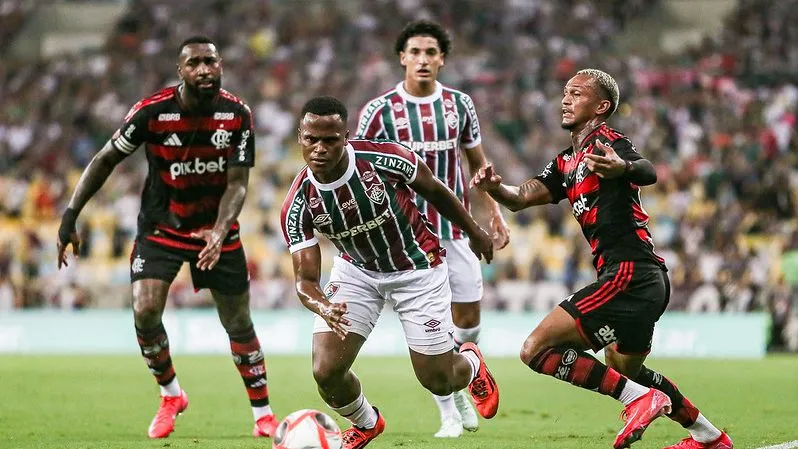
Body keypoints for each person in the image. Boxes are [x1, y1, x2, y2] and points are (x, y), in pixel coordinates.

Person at [471, 69, 733, 449]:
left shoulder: (608, 143)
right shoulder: (566, 162)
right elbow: (520, 197)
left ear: (601, 106)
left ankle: (639, 400)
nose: (565, 99)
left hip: (628, 274)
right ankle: (709, 436)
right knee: (627, 371)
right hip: (646, 279)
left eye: (576, 94)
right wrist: (495, 187)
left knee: (536, 349)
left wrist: (623, 167)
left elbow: (647, 171)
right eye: (565, 92)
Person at [56, 36, 279, 439]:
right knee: (144, 310)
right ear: (180, 71)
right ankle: (171, 394)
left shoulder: (237, 114)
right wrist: (71, 214)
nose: (204, 69)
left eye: (210, 61)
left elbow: (238, 183)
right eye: (194, 63)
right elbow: (105, 158)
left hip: (216, 230)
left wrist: (219, 230)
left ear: (220, 65)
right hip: (162, 227)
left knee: (237, 321)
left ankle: (263, 415)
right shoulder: (151, 112)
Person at [281, 96, 499, 449]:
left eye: (330, 140)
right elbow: (305, 281)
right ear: (300, 139)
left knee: (439, 380)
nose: (320, 148)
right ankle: (366, 423)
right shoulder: (298, 203)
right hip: (357, 273)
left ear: (346, 137)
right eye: (311, 139)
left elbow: (435, 190)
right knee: (326, 372)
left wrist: (474, 231)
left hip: (417, 269)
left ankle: (471, 363)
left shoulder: (383, 158)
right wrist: (324, 306)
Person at [356, 19, 510, 437]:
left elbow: (479, 164)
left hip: (456, 229)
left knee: (469, 320)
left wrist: (493, 211)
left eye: (430, 53)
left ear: (442, 59)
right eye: (415, 52)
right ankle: (450, 407)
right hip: (409, 236)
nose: (422, 60)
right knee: (431, 327)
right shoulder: (379, 110)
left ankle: (464, 369)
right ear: (402, 58)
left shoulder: (459, 105)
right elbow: (358, 165)